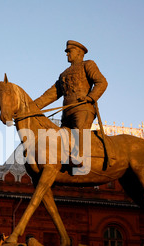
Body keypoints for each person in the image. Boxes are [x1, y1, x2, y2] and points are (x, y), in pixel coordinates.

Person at [34, 40, 108, 168]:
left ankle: (79, 158)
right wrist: (31, 107)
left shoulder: (88, 64)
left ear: (79, 53)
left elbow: (101, 82)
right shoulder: (64, 74)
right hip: (67, 112)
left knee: (80, 130)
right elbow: (49, 95)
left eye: (69, 51)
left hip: (83, 109)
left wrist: (91, 97)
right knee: (60, 137)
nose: (67, 54)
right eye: (67, 52)